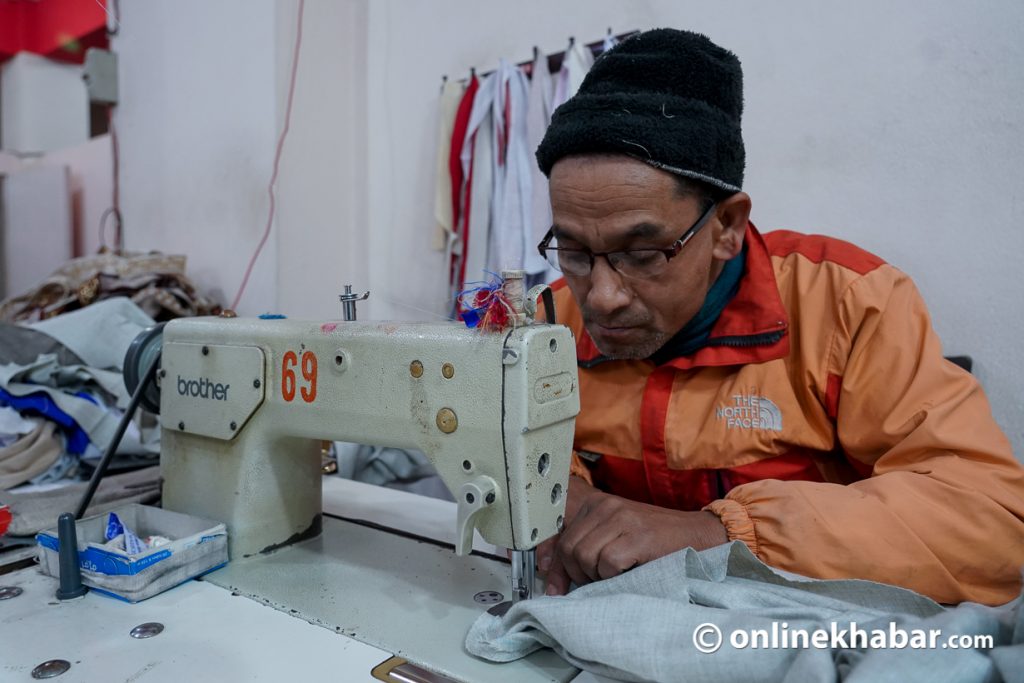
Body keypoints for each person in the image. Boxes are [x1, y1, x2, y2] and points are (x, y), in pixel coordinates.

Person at [531, 28, 1024, 606]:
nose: (603, 296)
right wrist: (559, 492)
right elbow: (502, 452)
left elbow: (990, 525)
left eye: (643, 254)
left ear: (727, 227)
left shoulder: (848, 305)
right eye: (575, 252)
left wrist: (718, 535)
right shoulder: (550, 320)